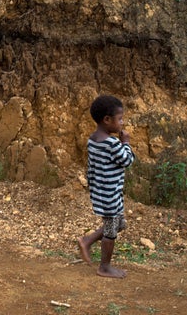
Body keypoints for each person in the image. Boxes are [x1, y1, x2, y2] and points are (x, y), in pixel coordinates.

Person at [77, 94, 135, 278]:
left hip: (103, 192)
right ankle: (104, 267)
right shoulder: (111, 144)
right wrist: (125, 142)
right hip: (110, 195)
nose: (122, 123)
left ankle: (87, 241)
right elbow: (127, 160)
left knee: (120, 224)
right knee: (111, 230)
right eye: (120, 119)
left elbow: (93, 168)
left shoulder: (93, 139)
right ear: (107, 120)